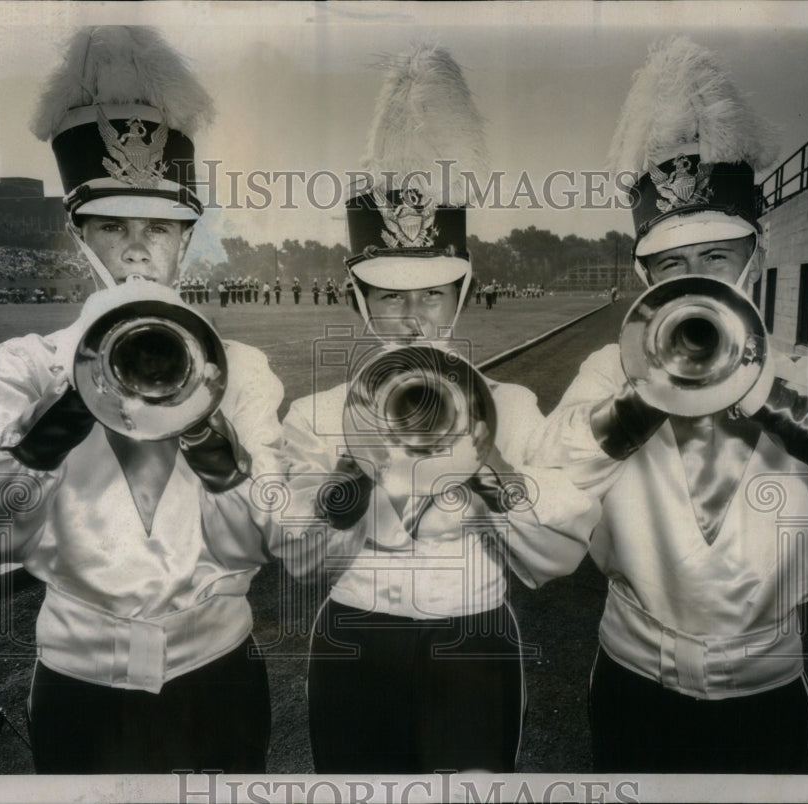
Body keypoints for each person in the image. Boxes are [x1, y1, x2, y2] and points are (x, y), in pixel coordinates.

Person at [0, 26, 282, 774]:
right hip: (80, 688)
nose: (140, 249)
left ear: (187, 239)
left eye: (160, 226)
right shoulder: (24, 365)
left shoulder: (241, 371)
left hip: (217, 679)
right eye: (114, 227)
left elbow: (257, 544)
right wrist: (68, 406)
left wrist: (205, 425)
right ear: (79, 238)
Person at [533, 36, 808, 774]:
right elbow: (547, 493)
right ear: (643, 271)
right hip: (632, 675)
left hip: (767, 687)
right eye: (671, 263)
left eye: (715, 257)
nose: (692, 279)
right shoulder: (605, 370)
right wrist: (643, 395)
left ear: (756, 255)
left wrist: (763, 392)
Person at [278, 44, 599, 775]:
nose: (414, 315)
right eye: (391, 295)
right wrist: (352, 462)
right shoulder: (314, 413)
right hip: (356, 636)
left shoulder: (511, 406)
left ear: (461, 292)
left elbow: (557, 558)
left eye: (433, 293)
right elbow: (299, 559)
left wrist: (487, 459)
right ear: (360, 300)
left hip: (477, 636)